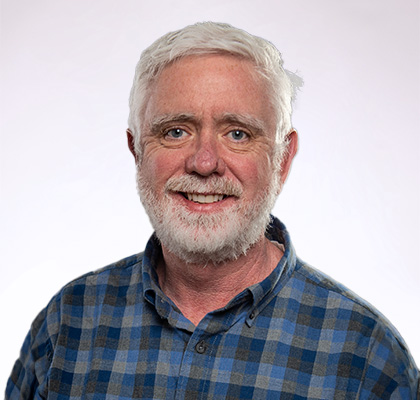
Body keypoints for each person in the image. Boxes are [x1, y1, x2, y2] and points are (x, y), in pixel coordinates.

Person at [6, 22, 419, 399]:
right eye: (176, 131)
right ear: (137, 151)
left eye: (238, 133)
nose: (204, 163)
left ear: (282, 159)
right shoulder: (67, 326)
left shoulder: (367, 358)